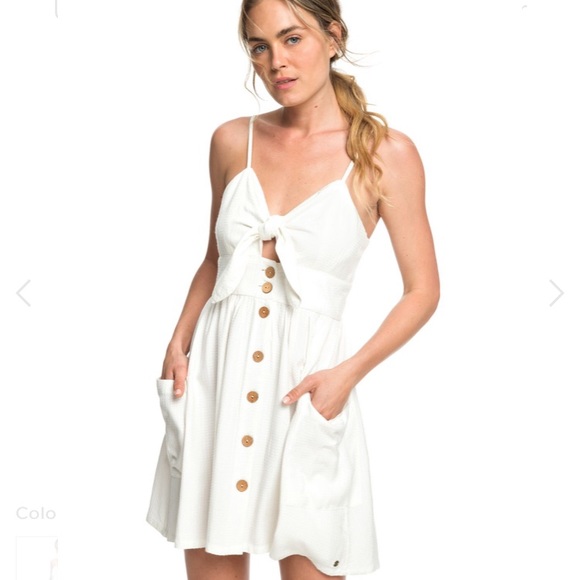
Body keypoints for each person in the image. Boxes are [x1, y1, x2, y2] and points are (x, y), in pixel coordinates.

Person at [146, 0, 440, 578]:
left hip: (307, 386)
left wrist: (346, 376)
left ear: (334, 37)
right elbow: (216, 258)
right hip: (216, 377)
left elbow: (422, 290)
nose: (276, 61)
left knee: (313, 554)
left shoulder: (385, 154)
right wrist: (179, 341)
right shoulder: (232, 140)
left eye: (292, 39)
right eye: (259, 47)